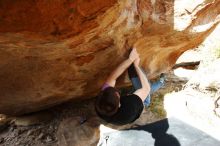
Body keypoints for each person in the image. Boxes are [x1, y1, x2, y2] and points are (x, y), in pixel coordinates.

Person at [95, 48, 165, 125]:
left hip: (132, 99)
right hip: (143, 102)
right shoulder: (130, 106)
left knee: (131, 69)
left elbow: (113, 77)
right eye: (117, 93)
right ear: (119, 104)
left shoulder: (101, 106)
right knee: (149, 88)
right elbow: (146, 88)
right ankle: (162, 82)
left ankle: (159, 83)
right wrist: (136, 66)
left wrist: (130, 59)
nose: (117, 91)